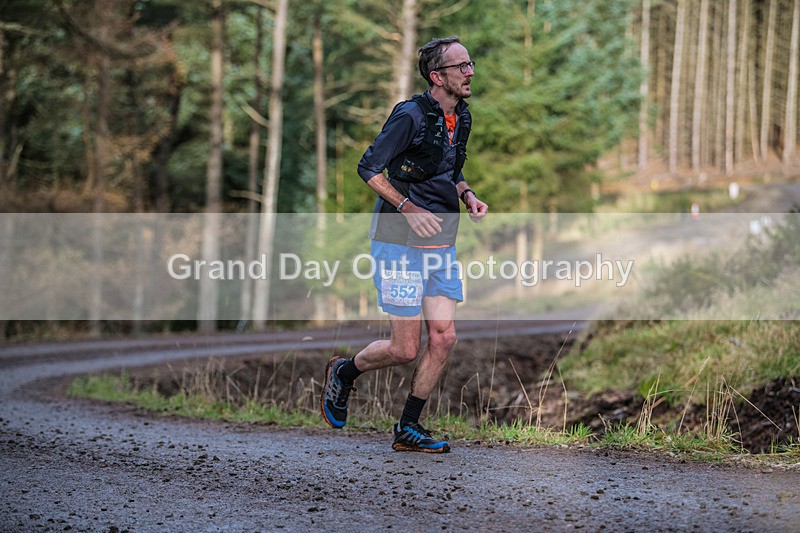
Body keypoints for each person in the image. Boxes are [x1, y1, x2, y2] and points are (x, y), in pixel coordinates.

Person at [320, 36, 488, 453]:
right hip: (398, 242)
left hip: (441, 242)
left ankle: (408, 428)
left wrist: (467, 195)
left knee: (444, 337)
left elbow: (452, 169)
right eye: (461, 66)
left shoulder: (461, 117)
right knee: (404, 347)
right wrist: (407, 206)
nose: (470, 72)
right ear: (438, 76)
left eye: (471, 64)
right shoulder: (410, 116)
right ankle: (344, 372)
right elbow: (369, 167)